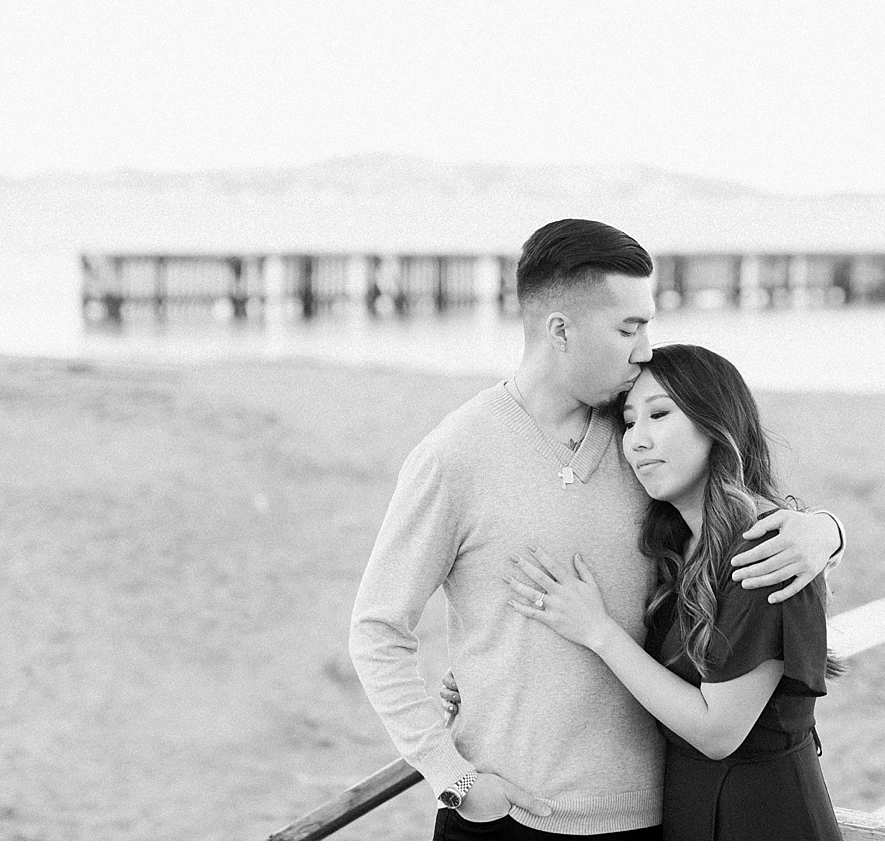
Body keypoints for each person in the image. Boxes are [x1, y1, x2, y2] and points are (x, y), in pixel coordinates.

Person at [349, 219, 844, 840]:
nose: (643, 350)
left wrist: (824, 529)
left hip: (658, 813)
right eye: (628, 328)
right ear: (562, 329)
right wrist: (453, 776)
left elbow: (729, 516)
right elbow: (377, 630)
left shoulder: (639, 438)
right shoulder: (453, 456)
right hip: (511, 814)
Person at [500, 343, 843, 839]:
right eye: (630, 422)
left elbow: (717, 732)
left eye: (660, 414)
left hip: (762, 816)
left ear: (715, 423)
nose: (637, 440)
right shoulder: (676, 547)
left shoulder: (765, 549)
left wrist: (599, 632)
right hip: (687, 808)